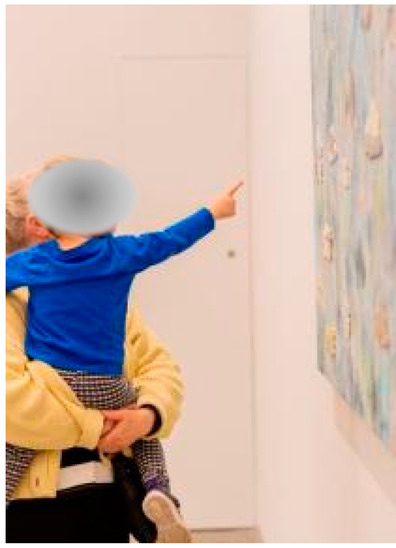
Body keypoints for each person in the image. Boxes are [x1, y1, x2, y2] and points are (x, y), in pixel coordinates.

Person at [5, 157, 239, 542]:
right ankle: (160, 487)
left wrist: (147, 416)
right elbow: (12, 407)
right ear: (36, 224)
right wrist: (102, 427)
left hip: (108, 499)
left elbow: (160, 369)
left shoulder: (107, 304)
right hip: (35, 513)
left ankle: (159, 496)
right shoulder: (11, 307)